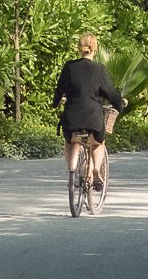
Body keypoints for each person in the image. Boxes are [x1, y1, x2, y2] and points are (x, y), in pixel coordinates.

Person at [52, 29, 125, 209]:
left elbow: (59, 89)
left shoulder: (69, 67)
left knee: (70, 141)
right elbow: (110, 93)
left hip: (71, 117)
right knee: (98, 144)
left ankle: (72, 169)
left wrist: (55, 103)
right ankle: (95, 168)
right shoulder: (99, 70)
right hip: (93, 119)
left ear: (79, 47)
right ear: (95, 49)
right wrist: (120, 104)